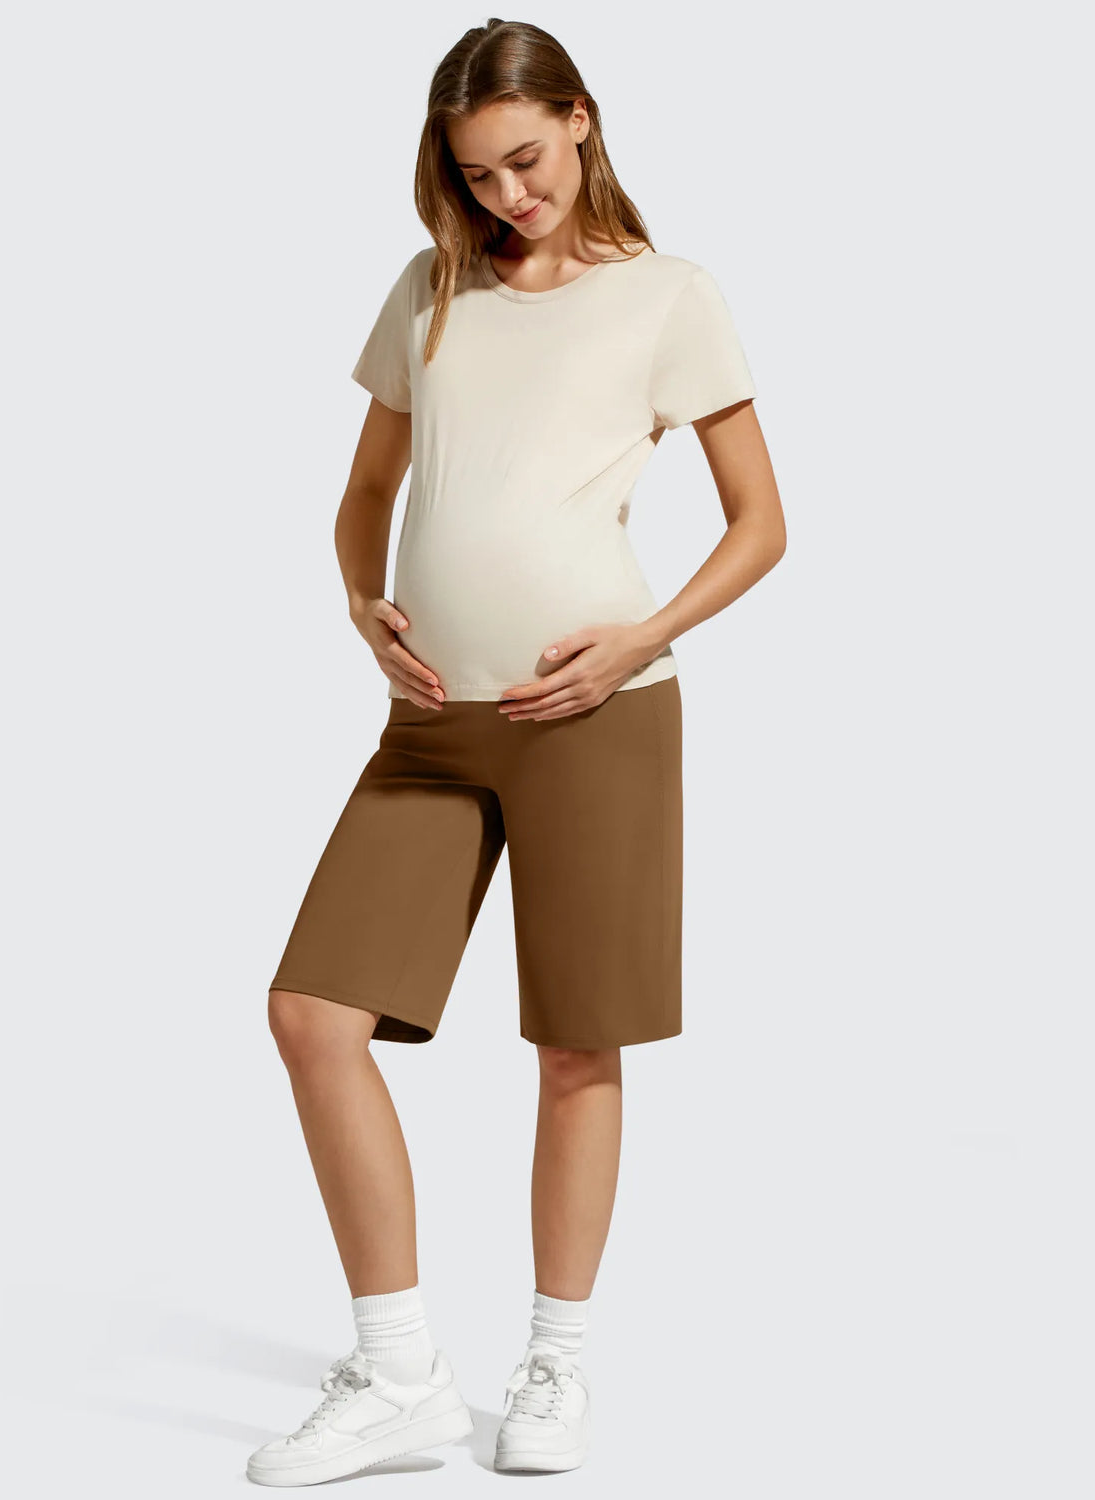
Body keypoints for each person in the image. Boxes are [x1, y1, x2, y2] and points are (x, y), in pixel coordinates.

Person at [247, 18, 785, 1488]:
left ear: (583, 121)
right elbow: (366, 489)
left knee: (575, 1044)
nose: (508, 197)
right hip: (429, 727)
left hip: (599, 718)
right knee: (312, 1017)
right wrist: (363, 607)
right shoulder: (432, 288)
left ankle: (556, 1358)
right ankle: (400, 1373)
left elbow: (761, 524)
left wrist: (637, 637)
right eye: (478, 175)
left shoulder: (668, 296)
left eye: (527, 161)